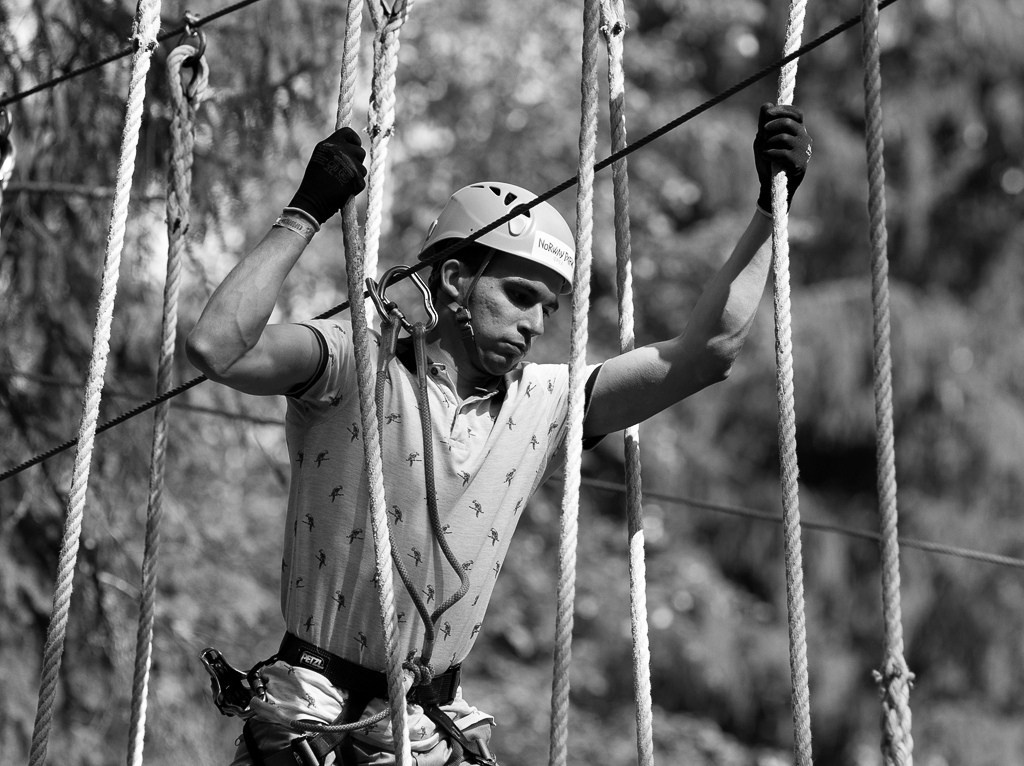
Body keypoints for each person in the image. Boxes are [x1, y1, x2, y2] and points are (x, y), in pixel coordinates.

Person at [186, 102, 812, 766]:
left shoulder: (544, 402)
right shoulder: (350, 362)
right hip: (308, 718)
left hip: (425, 733)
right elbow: (217, 346)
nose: (538, 324)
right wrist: (306, 211)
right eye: (519, 295)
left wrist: (770, 212)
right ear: (455, 280)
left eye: (549, 306)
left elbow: (705, 353)